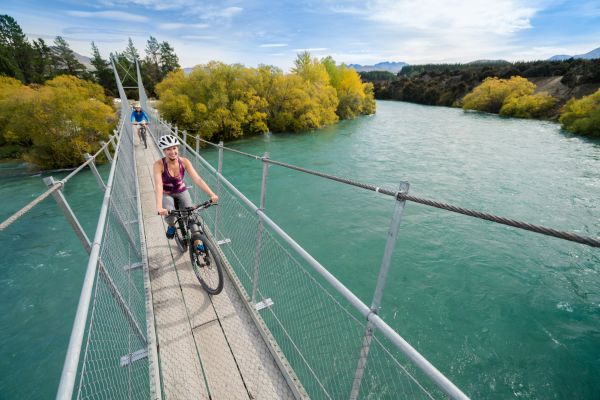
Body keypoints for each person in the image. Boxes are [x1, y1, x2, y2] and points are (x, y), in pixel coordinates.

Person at [154, 134, 219, 247]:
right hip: (167, 193)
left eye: (174, 148)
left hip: (181, 191)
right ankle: (171, 226)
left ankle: (198, 243)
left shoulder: (184, 162)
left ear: (177, 148)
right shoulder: (159, 165)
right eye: (168, 149)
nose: (172, 151)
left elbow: (197, 179)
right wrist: (159, 207)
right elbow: (159, 185)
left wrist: (211, 194)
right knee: (170, 215)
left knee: (191, 216)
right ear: (164, 151)